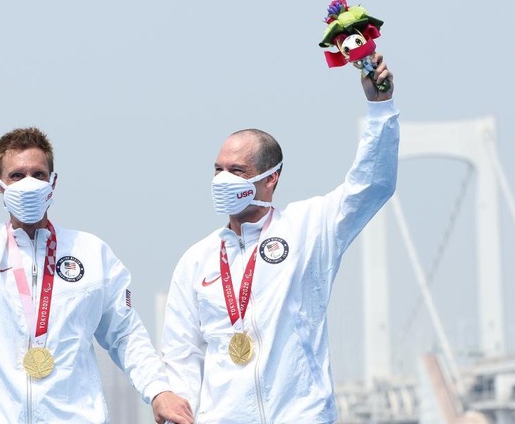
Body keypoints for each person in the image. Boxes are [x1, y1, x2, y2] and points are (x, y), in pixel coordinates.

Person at [0, 51, 194, 424]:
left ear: (53, 182)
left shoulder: (92, 253)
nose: (29, 183)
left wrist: (158, 390)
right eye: (17, 176)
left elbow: (126, 334)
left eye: (38, 174)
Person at [159, 52, 398, 423]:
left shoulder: (309, 227)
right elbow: (182, 353)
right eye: (218, 169)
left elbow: (371, 185)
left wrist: (380, 109)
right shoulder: (196, 260)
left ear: (271, 177)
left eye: (237, 171)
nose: (223, 180)